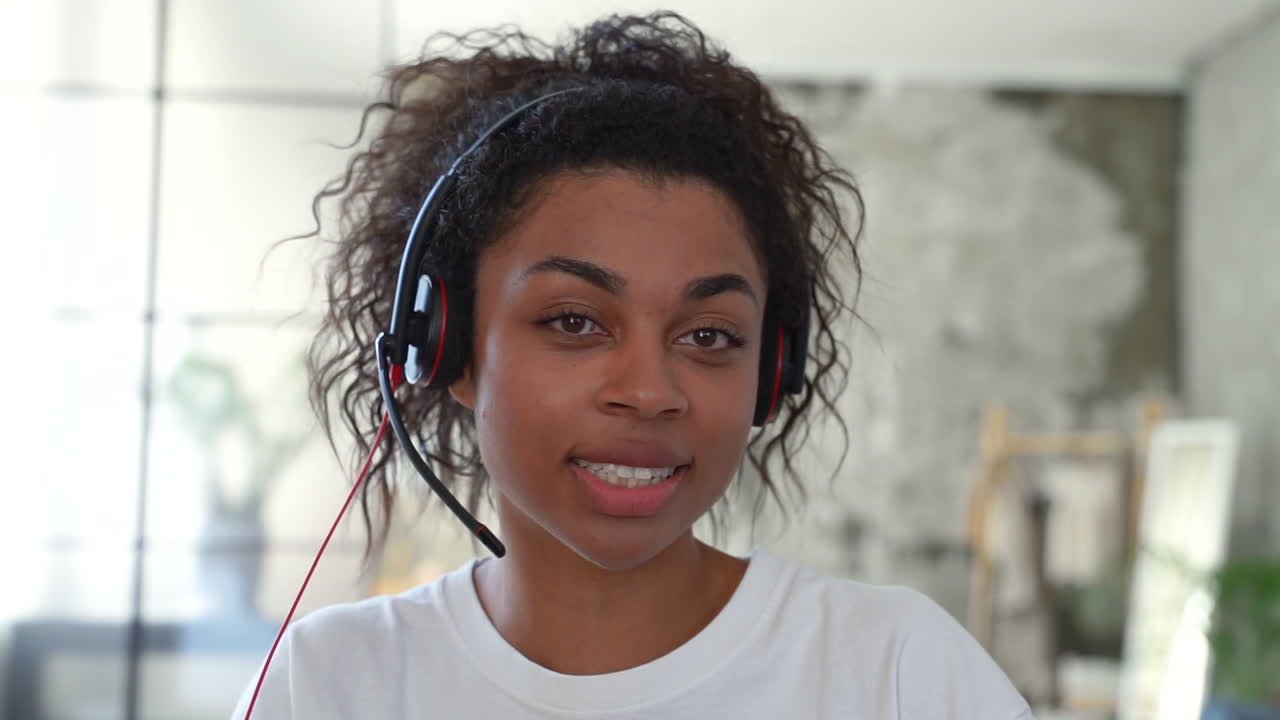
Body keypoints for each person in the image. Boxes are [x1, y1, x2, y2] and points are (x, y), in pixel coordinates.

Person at [233, 11, 1032, 719]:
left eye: (710, 336)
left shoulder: (899, 673)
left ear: (771, 373)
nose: (651, 392)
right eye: (575, 321)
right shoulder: (326, 684)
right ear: (450, 346)